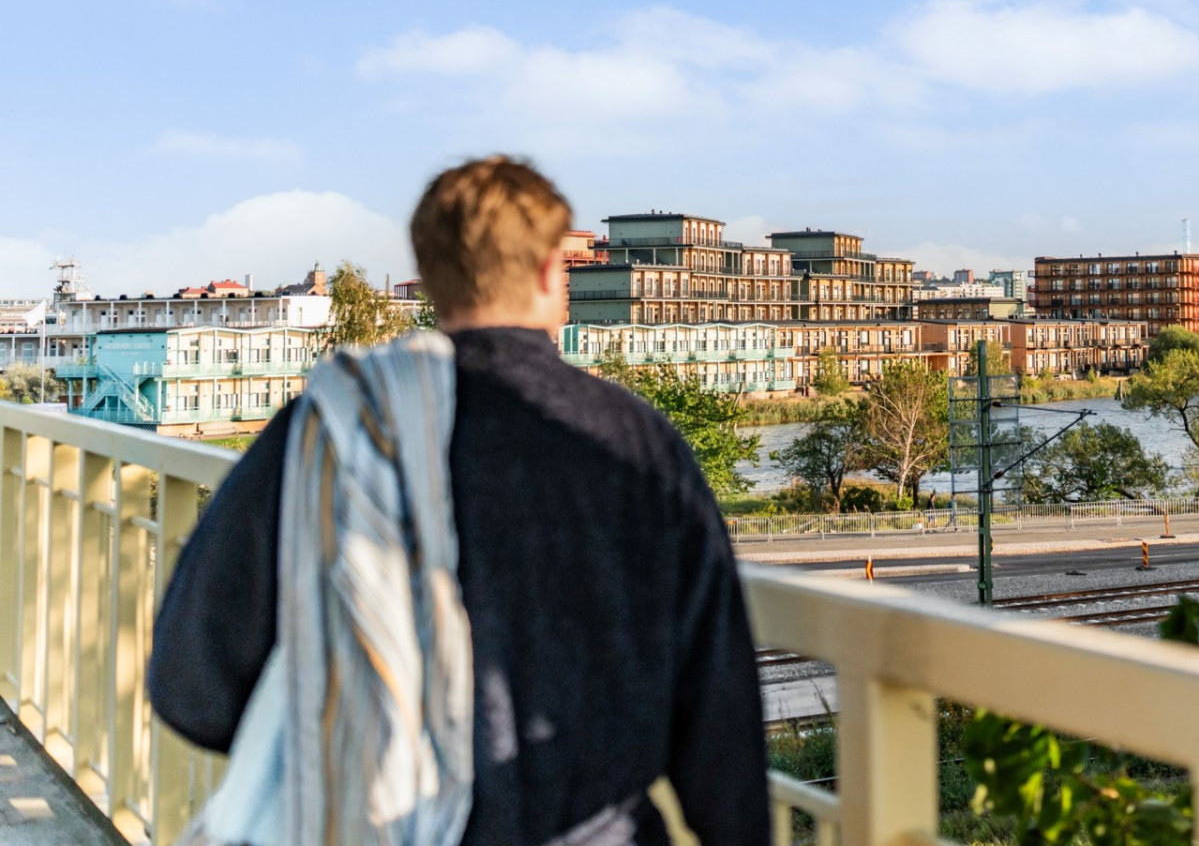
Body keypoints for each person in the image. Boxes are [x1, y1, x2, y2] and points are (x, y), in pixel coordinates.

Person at [150, 157, 770, 846]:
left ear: (435, 279)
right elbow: (719, 719)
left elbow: (190, 689)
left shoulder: (330, 427)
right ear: (547, 274)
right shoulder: (635, 442)